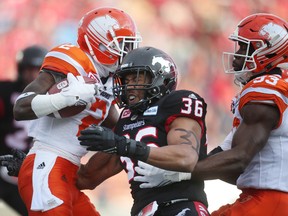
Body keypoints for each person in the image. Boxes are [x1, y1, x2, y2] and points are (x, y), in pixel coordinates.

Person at [132, 13, 288, 215]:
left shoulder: (263, 89)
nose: (238, 54)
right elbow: (224, 156)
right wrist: (178, 165)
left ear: (267, 52)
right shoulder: (272, 89)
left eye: (245, 48)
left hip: (271, 200)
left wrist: (179, 173)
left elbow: (239, 159)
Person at [12, 7, 142, 215]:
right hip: (48, 163)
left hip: (69, 172)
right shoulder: (74, 60)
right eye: (122, 45)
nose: (127, 53)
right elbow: (21, 107)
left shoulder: (107, 81)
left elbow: (118, 127)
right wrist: (65, 98)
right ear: (99, 43)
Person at [77, 46, 210, 216]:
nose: (129, 86)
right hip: (143, 210)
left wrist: (124, 145)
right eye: (126, 80)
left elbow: (186, 157)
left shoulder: (176, 101)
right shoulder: (126, 118)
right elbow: (86, 178)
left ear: (160, 78)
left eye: (136, 78)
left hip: (181, 206)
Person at [0, 45, 47, 216]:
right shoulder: (5, 92)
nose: (32, 75)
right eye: (28, 69)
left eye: (37, 70)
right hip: (3, 160)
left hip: (29, 170)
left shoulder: (55, 97)